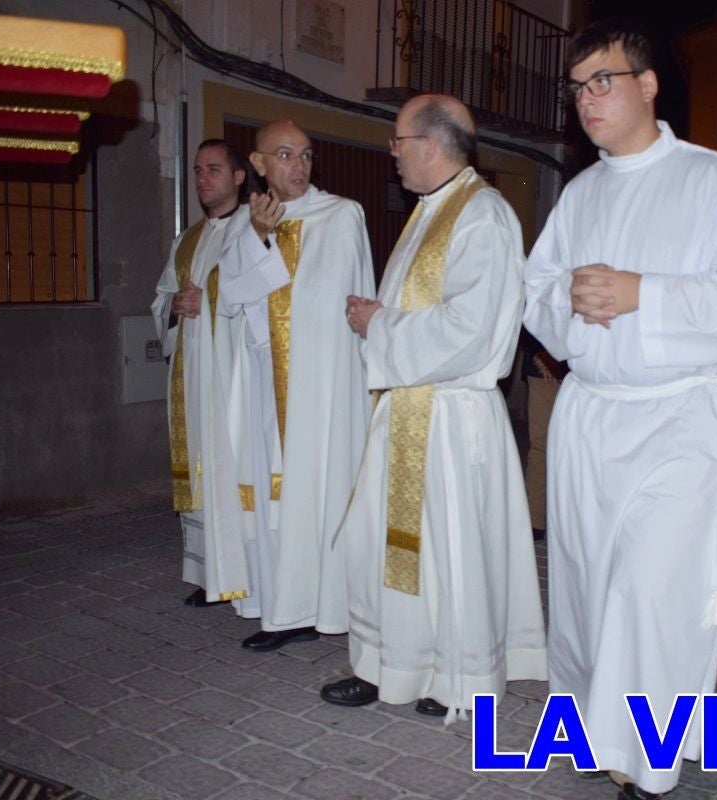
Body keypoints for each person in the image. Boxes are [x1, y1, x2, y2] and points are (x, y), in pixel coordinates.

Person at [523, 19, 717, 800]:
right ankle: (592, 729)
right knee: (588, 587)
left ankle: (645, 759)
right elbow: (538, 292)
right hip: (593, 415)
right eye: (577, 87)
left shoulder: (710, 180)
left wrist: (647, 294)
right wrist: (571, 302)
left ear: (647, 85)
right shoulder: (580, 194)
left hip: (680, 419)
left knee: (653, 587)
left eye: (602, 81)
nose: (586, 99)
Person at [319, 94, 547, 721]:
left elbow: (469, 330)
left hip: (449, 418)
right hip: (408, 409)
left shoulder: (484, 215)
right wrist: (377, 321)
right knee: (388, 544)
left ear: (429, 144)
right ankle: (390, 664)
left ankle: (456, 676)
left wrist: (378, 324)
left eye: (398, 140)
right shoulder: (430, 210)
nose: (391, 152)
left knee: (448, 551)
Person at [217, 119, 374, 651]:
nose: (298, 166)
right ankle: (280, 607)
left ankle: (323, 605)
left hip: (321, 388)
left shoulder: (342, 216)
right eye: (284, 155)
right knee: (271, 496)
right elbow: (231, 298)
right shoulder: (246, 224)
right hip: (265, 385)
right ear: (258, 163)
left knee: (318, 489)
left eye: (305, 155)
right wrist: (260, 237)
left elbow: (349, 303)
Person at [151, 139, 250, 607]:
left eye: (214, 169)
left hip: (233, 377)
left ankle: (244, 572)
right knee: (200, 467)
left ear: (238, 177)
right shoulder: (186, 240)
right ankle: (210, 573)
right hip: (192, 376)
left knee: (233, 468)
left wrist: (209, 300)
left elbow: (267, 299)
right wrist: (174, 304)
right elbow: (161, 298)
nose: (203, 179)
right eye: (197, 170)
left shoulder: (255, 230)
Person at [519, 328, 566, 540]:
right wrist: (538, 353)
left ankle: (571, 521)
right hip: (543, 368)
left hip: (586, 368)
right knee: (542, 444)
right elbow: (526, 317)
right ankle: (535, 520)